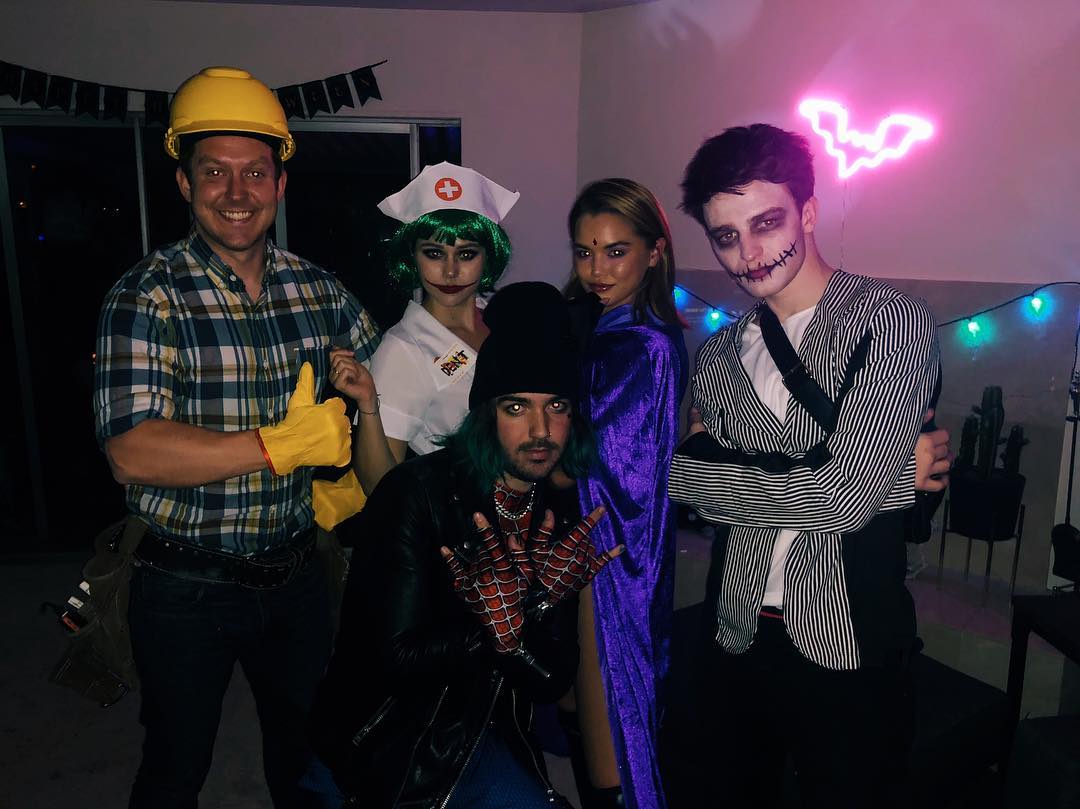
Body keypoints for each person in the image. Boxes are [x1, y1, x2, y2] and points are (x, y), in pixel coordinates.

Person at [92, 66, 381, 808]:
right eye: (214, 171)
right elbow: (130, 450)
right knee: (175, 765)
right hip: (184, 585)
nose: (236, 191)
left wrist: (455, 343)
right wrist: (278, 446)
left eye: (255, 172)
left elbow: (396, 370)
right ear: (184, 183)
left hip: (299, 575)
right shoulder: (146, 294)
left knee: (308, 758)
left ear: (279, 184)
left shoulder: (320, 290)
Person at [667, 123, 947, 808]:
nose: (748, 254)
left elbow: (838, 498)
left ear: (809, 212)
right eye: (726, 236)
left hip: (850, 639)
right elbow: (706, 500)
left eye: (766, 223)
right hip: (735, 629)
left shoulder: (890, 321)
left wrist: (687, 471)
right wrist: (890, 481)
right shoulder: (719, 354)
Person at [309, 282, 622, 808]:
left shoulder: (553, 512)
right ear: (486, 412)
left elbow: (550, 682)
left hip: (482, 725)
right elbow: (394, 658)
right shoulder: (418, 494)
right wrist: (500, 623)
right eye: (517, 407)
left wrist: (531, 610)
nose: (540, 430)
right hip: (390, 735)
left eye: (557, 406)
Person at [562, 179, 688, 809]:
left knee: (612, 734)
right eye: (585, 252)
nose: (596, 269)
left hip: (609, 554)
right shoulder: (628, 330)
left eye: (616, 251)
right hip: (612, 547)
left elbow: (592, 471)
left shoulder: (636, 345)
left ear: (654, 251)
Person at [326, 162, 518, 500]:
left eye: (466, 254)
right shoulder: (402, 348)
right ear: (412, 258)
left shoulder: (507, 319)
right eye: (434, 253)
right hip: (464, 517)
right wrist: (368, 404)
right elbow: (380, 485)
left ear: (488, 258)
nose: (450, 271)